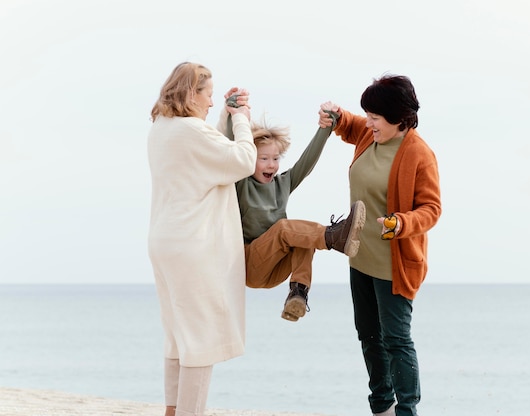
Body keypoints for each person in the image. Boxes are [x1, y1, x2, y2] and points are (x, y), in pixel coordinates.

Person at [318, 74, 442, 416]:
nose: (368, 122)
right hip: (359, 258)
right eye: (367, 115)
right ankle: (381, 407)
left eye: (375, 116)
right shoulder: (369, 135)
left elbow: (431, 209)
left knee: (397, 341)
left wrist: (401, 223)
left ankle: (407, 411)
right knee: (369, 337)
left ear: (398, 118)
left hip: (395, 265)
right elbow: (349, 124)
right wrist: (335, 114)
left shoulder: (419, 154)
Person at [147, 62, 256, 416]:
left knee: (178, 334)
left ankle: (172, 409)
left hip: (164, 240)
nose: (210, 103)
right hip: (192, 246)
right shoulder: (192, 133)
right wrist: (242, 118)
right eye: (208, 95)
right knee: (200, 339)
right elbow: (243, 160)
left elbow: (207, 152)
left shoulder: (162, 129)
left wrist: (224, 117)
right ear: (192, 93)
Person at [217, 109, 366, 321]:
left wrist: (326, 128)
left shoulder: (283, 183)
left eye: (276, 158)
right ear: (250, 160)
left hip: (275, 269)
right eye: (264, 159)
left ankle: (298, 295)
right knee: (286, 228)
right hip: (248, 265)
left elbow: (307, 161)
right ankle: (334, 236)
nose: (271, 164)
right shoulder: (242, 183)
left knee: (304, 237)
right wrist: (235, 116)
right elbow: (231, 151)